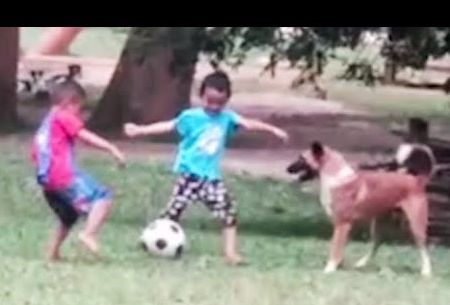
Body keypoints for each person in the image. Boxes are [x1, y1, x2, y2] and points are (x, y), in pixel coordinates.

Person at [124, 70, 289, 265]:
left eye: (220, 102)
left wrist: (272, 129)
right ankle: (151, 241)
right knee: (171, 215)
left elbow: (249, 124)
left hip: (211, 178)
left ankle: (231, 254)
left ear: (227, 99)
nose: (214, 106)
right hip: (189, 175)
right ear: (201, 96)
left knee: (229, 214)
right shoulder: (190, 117)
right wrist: (139, 130)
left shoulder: (228, 118)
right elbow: (168, 126)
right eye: (210, 101)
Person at [31, 80, 126, 261]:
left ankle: (53, 254)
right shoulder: (63, 116)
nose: (79, 114)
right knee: (102, 197)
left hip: (46, 180)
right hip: (63, 175)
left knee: (69, 216)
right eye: (79, 109)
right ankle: (88, 234)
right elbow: (85, 136)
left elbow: (36, 152)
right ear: (69, 103)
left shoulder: (47, 123)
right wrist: (112, 148)